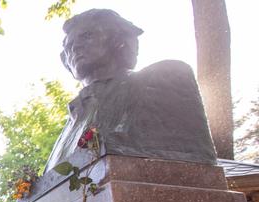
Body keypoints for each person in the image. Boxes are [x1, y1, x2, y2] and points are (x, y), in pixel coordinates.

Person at [44, 8, 216, 172]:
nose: (74, 48)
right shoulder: (72, 121)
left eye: (87, 36)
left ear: (118, 40)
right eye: (69, 45)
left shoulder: (165, 77)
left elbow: (192, 157)